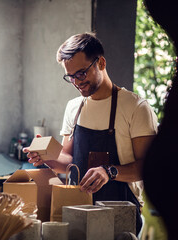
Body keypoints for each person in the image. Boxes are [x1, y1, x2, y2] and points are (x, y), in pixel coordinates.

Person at [23, 32, 158, 235]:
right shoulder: (73, 108)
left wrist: (109, 171)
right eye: (70, 77)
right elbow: (70, 164)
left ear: (101, 63)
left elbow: (147, 167)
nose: (77, 82)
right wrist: (45, 156)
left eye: (81, 73)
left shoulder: (136, 107)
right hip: (78, 210)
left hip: (119, 214)